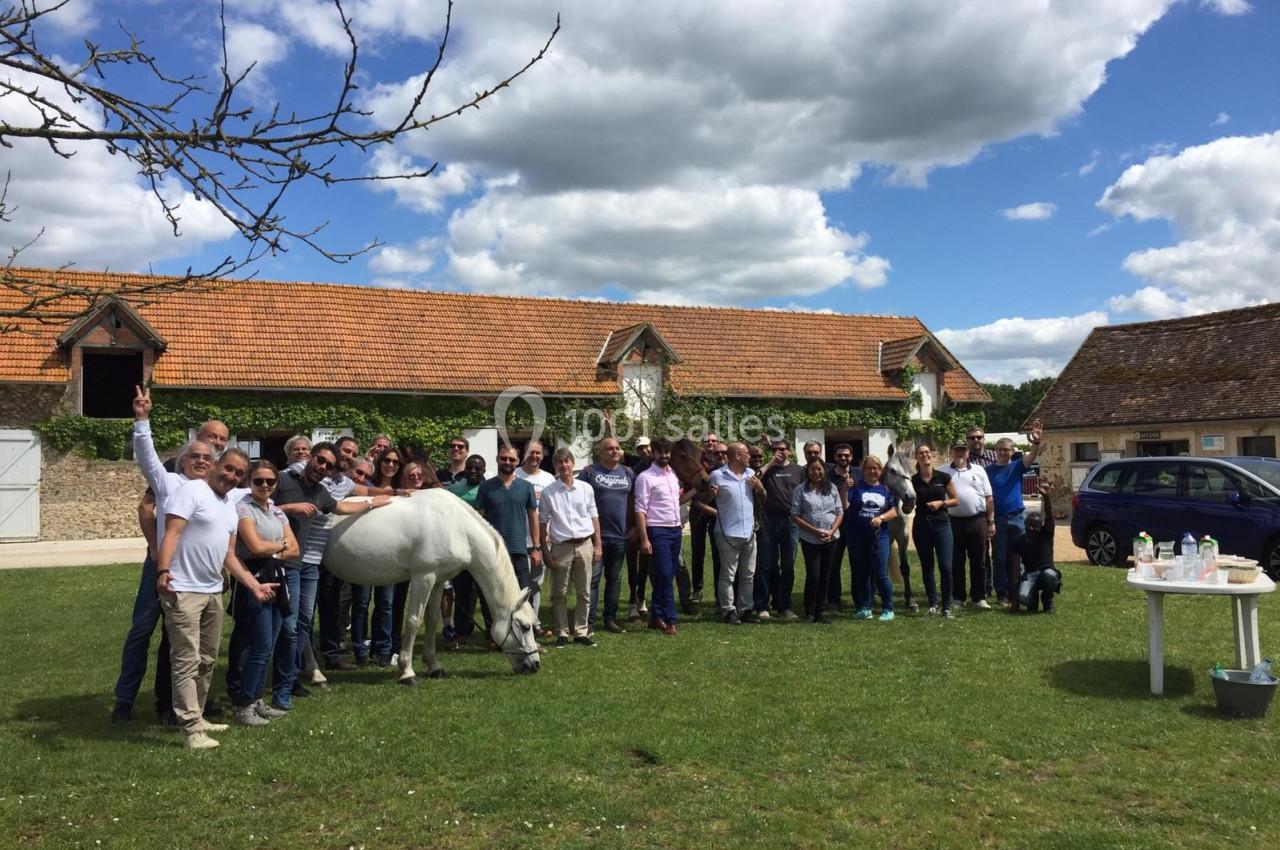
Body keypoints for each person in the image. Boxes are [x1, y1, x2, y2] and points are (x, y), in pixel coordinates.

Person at [112, 389, 223, 725]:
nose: (202, 461)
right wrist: (142, 419)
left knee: (175, 645)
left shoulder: (217, 492)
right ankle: (124, 701)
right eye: (195, 457)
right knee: (141, 631)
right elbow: (146, 459)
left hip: (194, 580)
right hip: (161, 569)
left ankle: (169, 707)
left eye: (208, 457)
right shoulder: (169, 482)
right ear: (183, 461)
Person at [155, 446, 276, 749]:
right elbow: (171, 533)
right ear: (216, 465)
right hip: (183, 589)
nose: (231, 476)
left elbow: (230, 555)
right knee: (185, 659)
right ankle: (191, 728)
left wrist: (251, 585)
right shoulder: (192, 490)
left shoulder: (228, 507)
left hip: (212, 591)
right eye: (228, 468)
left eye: (238, 473)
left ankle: (199, 713)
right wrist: (163, 570)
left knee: (207, 659)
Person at [226, 460, 299, 726]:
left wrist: (276, 548)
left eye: (270, 481)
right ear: (249, 482)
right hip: (255, 577)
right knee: (259, 644)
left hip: (277, 575)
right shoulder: (243, 508)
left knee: (269, 644)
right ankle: (243, 704)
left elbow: (296, 550)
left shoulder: (277, 512)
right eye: (259, 481)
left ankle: (256, 699)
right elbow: (255, 547)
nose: (265, 485)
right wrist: (280, 545)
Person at [540, 448, 602, 647]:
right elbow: (542, 522)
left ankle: (581, 631)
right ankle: (563, 632)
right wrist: (545, 550)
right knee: (560, 592)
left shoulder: (586, 488)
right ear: (556, 467)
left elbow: (594, 517)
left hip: (585, 543)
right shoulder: (549, 492)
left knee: (584, 591)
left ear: (573, 464)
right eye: (559, 463)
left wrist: (598, 544)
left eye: (567, 461)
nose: (564, 466)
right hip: (561, 546)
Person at [579, 437, 635, 635]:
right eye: (609, 449)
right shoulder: (589, 472)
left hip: (619, 537)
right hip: (595, 537)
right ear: (600, 453)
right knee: (592, 579)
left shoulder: (628, 473)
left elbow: (637, 501)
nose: (614, 451)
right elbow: (578, 498)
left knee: (614, 579)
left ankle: (610, 619)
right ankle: (589, 620)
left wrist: (635, 527)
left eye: (617, 448)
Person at [987, 421, 1044, 608]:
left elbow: (1032, 457)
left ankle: (1018, 591)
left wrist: (1035, 442)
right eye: (1000, 449)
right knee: (999, 557)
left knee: (1019, 556)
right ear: (996, 451)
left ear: (1012, 452)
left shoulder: (1018, 466)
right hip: (998, 519)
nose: (1003, 452)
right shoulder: (988, 471)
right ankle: (1002, 594)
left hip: (1016, 517)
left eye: (1007, 450)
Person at [709, 442, 763, 624]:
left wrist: (760, 488)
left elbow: (764, 498)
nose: (751, 456)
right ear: (737, 456)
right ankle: (728, 610)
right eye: (747, 453)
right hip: (727, 533)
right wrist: (711, 494)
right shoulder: (717, 475)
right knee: (728, 574)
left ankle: (746, 608)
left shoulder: (751, 475)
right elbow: (705, 499)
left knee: (748, 574)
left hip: (749, 532)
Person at [476, 445, 541, 593]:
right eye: (503, 458)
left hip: (519, 549)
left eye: (511, 459)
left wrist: (536, 548)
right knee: (494, 595)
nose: (507, 462)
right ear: (497, 460)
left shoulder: (526, 487)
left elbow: (533, 517)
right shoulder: (486, 487)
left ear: (517, 462)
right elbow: (479, 518)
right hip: (493, 550)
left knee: (525, 594)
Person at [634, 437, 682, 636]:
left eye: (667, 453)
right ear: (653, 453)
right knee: (663, 575)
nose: (665, 456)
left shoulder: (673, 475)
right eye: (661, 453)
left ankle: (656, 615)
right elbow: (639, 509)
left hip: (675, 529)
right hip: (657, 530)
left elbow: (678, 501)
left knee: (667, 575)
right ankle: (670, 620)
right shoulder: (645, 478)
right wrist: (644, 538)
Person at [756, 438, 804, 621]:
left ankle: (784, 606)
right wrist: (769, 463)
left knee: (788, 566)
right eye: (775, 449)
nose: (779, 452)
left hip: (791, 523)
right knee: (766, 565)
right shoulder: (768, 470)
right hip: (769, 522)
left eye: (782, 449)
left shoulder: (798, 470)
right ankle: (762, 605)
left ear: (789, 451)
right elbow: (754, 479)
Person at [847, 456, 899, 621]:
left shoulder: (886, 489)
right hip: (857, 536)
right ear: (863, 471)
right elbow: (845, 506)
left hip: (879, 536)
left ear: (880, 470)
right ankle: (865, 607)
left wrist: (881, 518)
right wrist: (843, 489)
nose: (872, 471)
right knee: (862, 573)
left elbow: (895, 511)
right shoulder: (856, 487)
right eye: (869, 468)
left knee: (880, 573)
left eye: (875, 468)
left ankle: (888, 608)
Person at [791, 459, 843, 623]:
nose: (816, 472)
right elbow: (795, 515)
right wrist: (815, 531)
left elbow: (839, 512)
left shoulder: (832, 488)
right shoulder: (801, 490)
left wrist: (831, 531)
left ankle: (820, 612)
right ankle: (810, 611)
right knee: (814, 575)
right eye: (812, 470)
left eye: (819, 469)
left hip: (831, 538)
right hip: (810, 538)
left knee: (826, 576)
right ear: (808, 471)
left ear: (824, 470)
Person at [447, 455, 491, 646]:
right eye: (470, 468)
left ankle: (492, 631)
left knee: (486, 592)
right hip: (461, 548)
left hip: (483, 549)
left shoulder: (490, 488)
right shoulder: (454, 490)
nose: (473, 471)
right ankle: (462, 631)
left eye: (478, 468)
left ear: (484, 470)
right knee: (462, 590)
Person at [911, 444, 959, 618]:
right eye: (921, 453)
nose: (924, 455)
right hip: (922, 525)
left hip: (942, 524)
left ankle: (947, 606)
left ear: (931, 456)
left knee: (946, 566)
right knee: (927, 566)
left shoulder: (943, 477)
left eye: (927, 452)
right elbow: (909, 505)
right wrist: (908, 506)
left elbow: (956, 499)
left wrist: (941, 503)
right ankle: (933, 604)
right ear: (917, 457)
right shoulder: (913, 480)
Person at [945, 440, 994, 610]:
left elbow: (989, 498)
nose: (960, 453)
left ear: (967, 453)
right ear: (952, 452)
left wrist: (991, 521)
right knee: (956, 561)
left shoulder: (979, 470)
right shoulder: (943, 471)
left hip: (977, 520)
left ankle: (979, 597)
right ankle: (958, 597)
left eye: (963, 451)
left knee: (979, 560)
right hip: (953, 521)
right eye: (957, 450)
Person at [516, 441, 555, 636]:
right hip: (517, 539)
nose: (535, 456)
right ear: (524, 453)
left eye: (538, 453)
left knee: (536, 583)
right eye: (531, 452)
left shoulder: (548, 478)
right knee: (518, 585)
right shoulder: (515, 475)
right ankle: (519, 623)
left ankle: (535, 622)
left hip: (540, 541)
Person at [688, 433, 723, 609]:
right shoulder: (695, 463)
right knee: (698, 552)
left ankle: (719, 592)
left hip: (717, 513)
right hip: (698, 512)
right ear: (702, 445)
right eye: (707, 441)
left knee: (718, 553)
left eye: (714, 441)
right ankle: (697, 589)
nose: (711, 444)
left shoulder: (723, 464)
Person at [1015, 486, 1061, 613]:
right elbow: (1014, 564)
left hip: (1047, 572)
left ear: (1041, 527)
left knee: (1050, 576)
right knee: (1023, 598)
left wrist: (1046, 497)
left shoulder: (1046, 535)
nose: (1032, 529)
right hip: (1031, 574)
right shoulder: (1020, 541)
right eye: (1030, 526)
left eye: (1036, 526)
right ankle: (1032, 598)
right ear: (1025, 525)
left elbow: (1049, 517)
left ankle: (1047, 600)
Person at [824, 443, 858, 610]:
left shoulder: (859, 473)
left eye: (846, 455)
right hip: (835, 525)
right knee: (834, 564)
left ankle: (859, 598)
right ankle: (833, 600)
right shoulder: (828, 477)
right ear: (834, 457)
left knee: (857, 563)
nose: (843, 458)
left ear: (851, 457)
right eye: (839, 456)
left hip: (856, 526)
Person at [626, 436, 653, 621]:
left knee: (645, 564)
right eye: (640, 448)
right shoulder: (634, 465)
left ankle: (641, 598)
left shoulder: (656, 465)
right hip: (632, 517)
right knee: (632, 564)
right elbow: (615, 451)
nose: (644, 451)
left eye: (646, 447)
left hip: (650, 518)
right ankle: (631, 601)